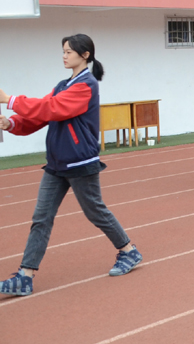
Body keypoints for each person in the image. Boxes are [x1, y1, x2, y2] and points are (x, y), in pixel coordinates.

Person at [0, 34, 142, 296]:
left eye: (68, 52)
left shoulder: (86, 85)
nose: (64, 56)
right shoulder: (63, 84)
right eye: (63, 51)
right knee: (41, 218)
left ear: (85, 55)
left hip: (80, 161)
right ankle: (25, 276)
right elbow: (41, 114)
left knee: (95, 212)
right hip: (56, 163)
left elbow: (54, 108)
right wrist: (12, 123)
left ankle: (128, 251)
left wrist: (10, 100)